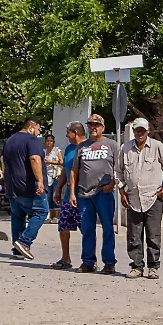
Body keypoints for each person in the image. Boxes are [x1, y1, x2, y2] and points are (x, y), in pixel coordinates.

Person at [119, 117, 163, 280]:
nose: (139, 133)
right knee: (133, 235)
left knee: (153, 235)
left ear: (147, 132)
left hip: (153, 198)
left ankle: (153, 267)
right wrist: (121, 191)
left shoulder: (157, 146)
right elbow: (118, 172)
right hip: (133, 199)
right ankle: (136, 266)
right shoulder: (125, 148)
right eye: (137, 130)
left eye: (142, 130)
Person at [74, 114, 120, 274]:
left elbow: (119, 169)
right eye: (90, 125)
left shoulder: (112, 145)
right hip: (84, 194)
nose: (93, 128)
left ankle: (109, 262)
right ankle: (88, 262)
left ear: (103, 127)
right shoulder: (82, 146)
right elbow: (75, 171)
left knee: (107, 228)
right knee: (87, 229)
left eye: (96, 125)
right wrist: (73, 193)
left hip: (104, 193)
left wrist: (113, 184)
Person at [1, 119, 49, 261]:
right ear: (31, 128)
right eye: (38, 129)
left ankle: (17, 250)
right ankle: (24, 241)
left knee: (18, 216)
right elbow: (34, 159)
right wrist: (40, 181)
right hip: (28, 186)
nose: (38, 133)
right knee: (41, 211)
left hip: (12, 186)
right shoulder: (31, 140)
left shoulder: (10, 140)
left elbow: (4, 160)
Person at [52, 122, 83, 269]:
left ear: (75, 133)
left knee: (86, 229)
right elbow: (65, 169)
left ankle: (90, 260)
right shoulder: (69, 149)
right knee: (63, 225)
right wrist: (58, 188)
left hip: (84, 195)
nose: (66, 136)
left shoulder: (88, 147)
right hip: (68, 196)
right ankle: (66, 258)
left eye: (68, 133)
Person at [43, 134, 63, 220]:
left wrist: (50, 162)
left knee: (55, 194)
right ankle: (50, 214)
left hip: (55, 175)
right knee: (48, 195)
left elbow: (61, 162)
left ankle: (57, 215)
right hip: (46, 175)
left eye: (51, 141)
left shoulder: (56, 151)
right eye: (47, 141)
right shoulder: (43, 151)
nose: (49, 143)